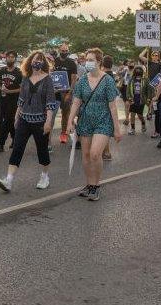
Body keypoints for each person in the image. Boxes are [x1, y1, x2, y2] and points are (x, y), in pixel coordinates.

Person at [67, 48, 122, 201]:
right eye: (86, 60)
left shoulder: (108, 81)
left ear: (99, 61)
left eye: (91, 60)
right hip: (85, 120)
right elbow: (76, 102)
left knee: (95, 154)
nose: (88, 62)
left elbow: (112, 106)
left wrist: (117, 129)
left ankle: (96, 186)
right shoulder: (82, 80)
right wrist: (69, 121)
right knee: (85, 155)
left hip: (103, 121)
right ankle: (89, 184)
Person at [0, 51, 55, 192]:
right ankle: (9, 180)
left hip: (40, 121)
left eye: (40, 60)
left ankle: (44, 176)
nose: (37, 62)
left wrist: (48, 122)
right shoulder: (25, 78)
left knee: (42, 150)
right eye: (35, 59)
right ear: (30, 61)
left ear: (44, 63)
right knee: (17, 148)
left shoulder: (47, 79)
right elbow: (21, 100)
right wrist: (17, 117)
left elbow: (50, 103)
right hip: (24, 120)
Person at [0, 51, 22, 152]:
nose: (10, 59)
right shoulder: (2, 70)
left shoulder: (19, 72)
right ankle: (15, 139)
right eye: (8, 57)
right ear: (5, 58)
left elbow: (22, 89)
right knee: (1, 119)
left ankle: (0, 143)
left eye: (12, 57)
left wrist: (10, 91)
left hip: (13, 100)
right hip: (2, 99)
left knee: (8, 120)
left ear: (15, 59)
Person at [54, 41, 79, 144]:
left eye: (66, 51)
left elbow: (74, 79)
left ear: (68, 51)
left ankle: (63, 133)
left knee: (65, 114)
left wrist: (69, 93)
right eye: (62, 50)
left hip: (65, 93)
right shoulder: (54, 61)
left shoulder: (71, 63)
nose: (64, 52)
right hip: (54, 92)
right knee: (51, 113)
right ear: (59, 51)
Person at [126, 65, 149, 134]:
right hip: (133, 99)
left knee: (139, 115)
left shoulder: (145, 80)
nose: (138, 71)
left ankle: (143, 123)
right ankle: (133, 129)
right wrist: (129, 97)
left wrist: (148, 99)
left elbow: (148, 90)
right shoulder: (131, 80)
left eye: (139, 70)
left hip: (141, 100)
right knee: (132, 114)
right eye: (137, 70)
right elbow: (128, 90)